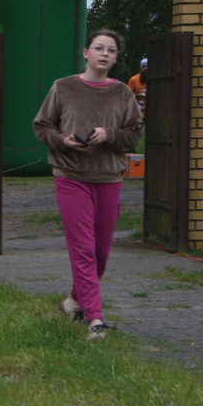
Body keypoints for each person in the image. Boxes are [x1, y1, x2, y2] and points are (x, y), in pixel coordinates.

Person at [33, 29, 142, 340]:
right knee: (84, 250)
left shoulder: (123, 92)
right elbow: (42, 125)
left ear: (116, 58)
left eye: (111, 50)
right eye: (98, 48)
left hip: (109, 176)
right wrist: (63, 141)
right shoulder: (63, 87)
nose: (104, 54)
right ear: (85, 52)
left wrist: (109, 135)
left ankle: (75, 300)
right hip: (71, 177)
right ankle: (95, 320)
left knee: (101, 253)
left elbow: (134, 135)